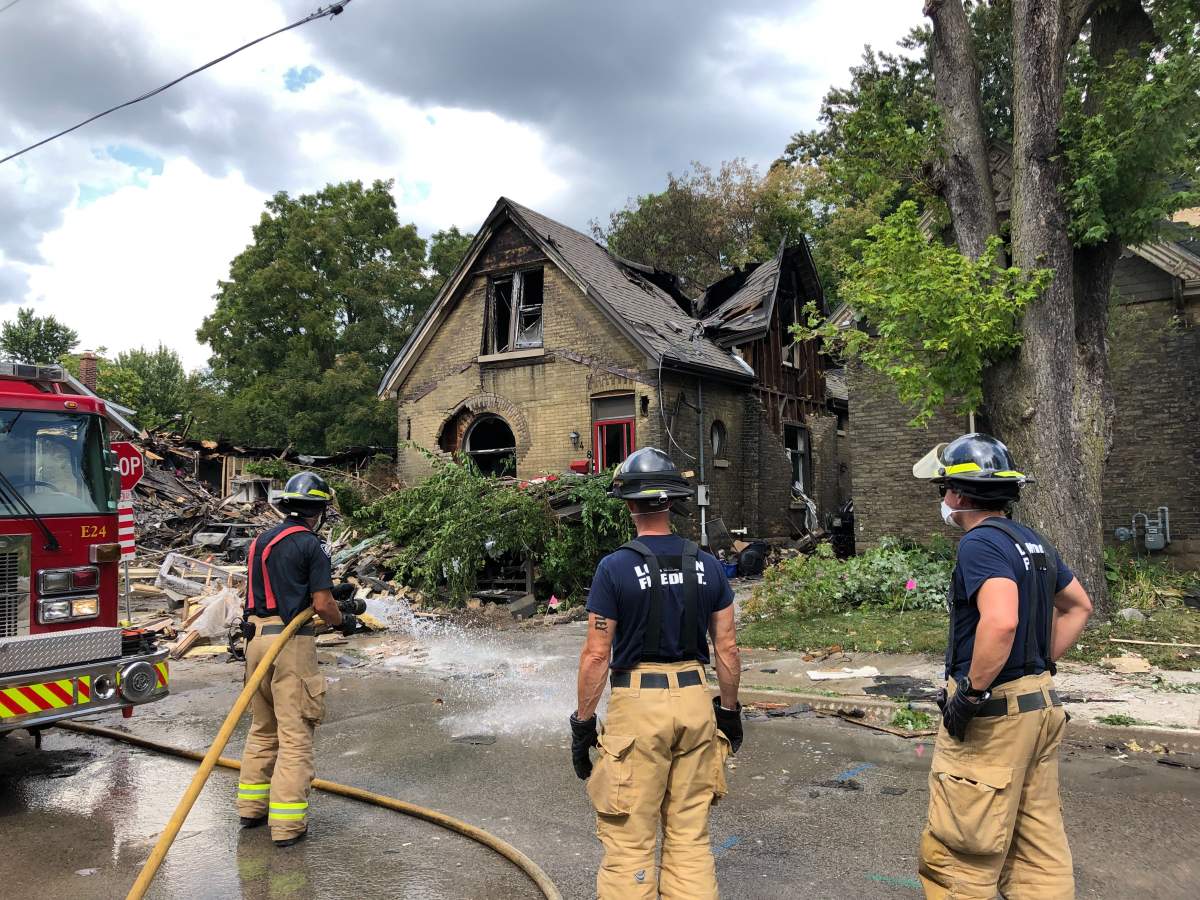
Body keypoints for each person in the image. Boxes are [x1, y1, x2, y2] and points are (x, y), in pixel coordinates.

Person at [912, 434, 1093, 899]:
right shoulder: (1031, 541)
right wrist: (1040, 662)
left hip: (996, 719)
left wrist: (971, 693)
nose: (943, 499)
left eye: (943, 489)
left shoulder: (980, 544)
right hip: (1041, 707)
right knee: (1037, 849)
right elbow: (1078, 607)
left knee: (961, 853)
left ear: (957, 493)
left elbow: (1001, 620)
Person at [570, 447, 743, 900]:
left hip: (637, 709)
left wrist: (583, 724)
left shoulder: (614, 569)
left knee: (630, 839)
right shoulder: (708, 566)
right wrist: (728, 711)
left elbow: (595, 655)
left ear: (628, 504)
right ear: (673, 501)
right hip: (694, 701)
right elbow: (726, 647)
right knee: (689, 836)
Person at [236, 471, 357, 848]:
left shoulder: (261, 540)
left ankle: (251, 810)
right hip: (290, 645)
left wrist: (322, 591)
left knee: (262, 729)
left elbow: (282, 584)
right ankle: (288, 826)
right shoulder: (311, 545)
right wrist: (345, 620)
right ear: (319, 510)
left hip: (255, 642)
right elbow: (322, 606)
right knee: (295, 736)